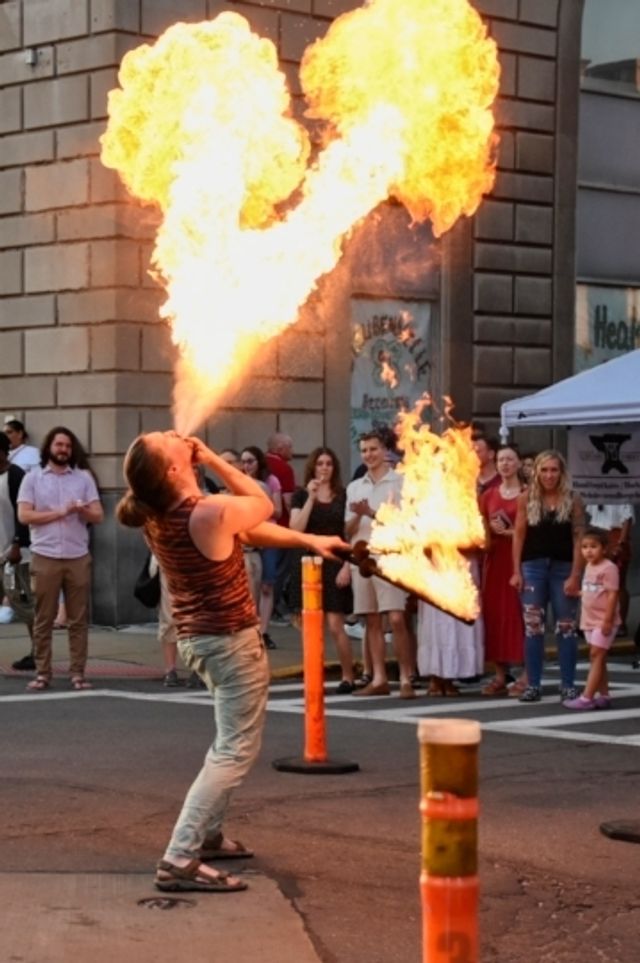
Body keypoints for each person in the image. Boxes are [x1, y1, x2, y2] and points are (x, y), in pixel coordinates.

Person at [116, 430, 347, 893]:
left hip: (200, 641)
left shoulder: (167, 512)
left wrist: (309, 539)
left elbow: (245, 527)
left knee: (227, 740)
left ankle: (209, 834)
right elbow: (260, 503)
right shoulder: (205, 509)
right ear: (174, 469)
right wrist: (214, 460)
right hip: (230, 644)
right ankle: (180, 856)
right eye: (167, 440)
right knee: (234, 751)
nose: (173, 433)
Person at [17, 427, 104, 692]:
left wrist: (82, 510)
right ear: (49, 448)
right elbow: (25, 516)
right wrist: (59, 512)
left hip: (77, 556)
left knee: (77, 619)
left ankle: (78, 673)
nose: (63, 449)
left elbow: (98, 515)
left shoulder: (83, 478)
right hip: (45, 555)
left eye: (67, 445)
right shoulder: (33, 478)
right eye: (59, 445)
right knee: (44, 618)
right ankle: (43, 672)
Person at [510, 450, 585, 703]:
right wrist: (516, 571)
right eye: (544, 470)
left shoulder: (573, 499)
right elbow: (518, 535)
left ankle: (568, 684)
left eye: (554, 470)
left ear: (561, 472)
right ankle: (533, 684)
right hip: (533, 567)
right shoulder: (525, 499)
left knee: (566, 628)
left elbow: (578, 539)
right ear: (536, 472)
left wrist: (576, 574)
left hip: (563, 568)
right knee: (533, 628)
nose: (549, 475)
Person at [345, 430, 415, 699]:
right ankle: (379, 678)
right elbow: (348, 529)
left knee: (396, 618)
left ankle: (407, 677)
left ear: (384, 450)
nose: (368, 455)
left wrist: (372, 513)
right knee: (371, 620)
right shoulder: (355, 486)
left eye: (373, 449)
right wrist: (358, 516)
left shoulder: (401, 482)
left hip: (392, 556)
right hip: (362, 558)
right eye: (364, 450)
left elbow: (407, 523)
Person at [289, 447, 355, 693]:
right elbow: (296, 529)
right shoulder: (300, 494)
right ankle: (313, 676)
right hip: (308, 561)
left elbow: (349, 534)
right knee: (311, 626)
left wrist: (347, 566)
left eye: (328, 464)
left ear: (334, 468)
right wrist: (310, 498)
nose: (324, 468)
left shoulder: (343, 495)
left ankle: (348, 676)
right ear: (313, 467)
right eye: (320, 464)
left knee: (337, 625)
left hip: (335, 561)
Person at [479, 445, 526, 696]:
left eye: (510, 459)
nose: (505, 464)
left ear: (519, 463)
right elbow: (483, 532)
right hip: (495, 561)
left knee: (522, 615)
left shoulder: (528, 495)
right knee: (494, 615)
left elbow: (534, 532)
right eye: (500, 460)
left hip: (518, 560)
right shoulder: (488, 495)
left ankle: (527, 673)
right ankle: (499, 674)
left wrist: (511, 532)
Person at [563, 528, 620, 711]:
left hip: (603, 620)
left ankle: (587, 698)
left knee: (596, 655)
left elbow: (612, 595)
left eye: (593, 547)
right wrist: (578, 592)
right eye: (585, 547)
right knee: (599, 658)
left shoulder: (609, 568)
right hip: (588, 619)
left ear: (604, 548)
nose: (588, 551)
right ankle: (604, 695)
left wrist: (608, 620)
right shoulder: (589, 567)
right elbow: (593, 590)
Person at [240, 446, 282, 649]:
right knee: (249, 586)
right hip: (248, 537)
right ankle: (250, 629)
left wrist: (261, 506)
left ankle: (263, 631)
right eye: (244, 462)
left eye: (251, 461)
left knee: (267, 585)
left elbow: (279, 510)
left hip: (268, 535)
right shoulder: (239, 481)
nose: (247, 466)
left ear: (259, 462)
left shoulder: (271, 481)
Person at [0, 433, 34, 643]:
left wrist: (17, 544)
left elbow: (24, 515)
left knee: (23, 604)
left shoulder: (15, 476)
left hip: (14, 554)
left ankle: (37, 651)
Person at [585, 502, 634, 636]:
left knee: (618, 584)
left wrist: (621, 543)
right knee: (597, 583)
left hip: (615, 534)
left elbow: (627, 518)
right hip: (597, 533)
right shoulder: (596, 492)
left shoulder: (620, 487)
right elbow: (592, 515)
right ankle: (597, 621)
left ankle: (621, 623)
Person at [265, 431, 296, 622]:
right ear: (280, 448)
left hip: (260, 528)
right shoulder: (284, 469)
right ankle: (274, 607)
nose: (292, 451)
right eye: (290, 447)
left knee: (266, 570)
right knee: (280, 570)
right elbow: (288, 502)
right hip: (282, 527)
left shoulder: (260, 465)